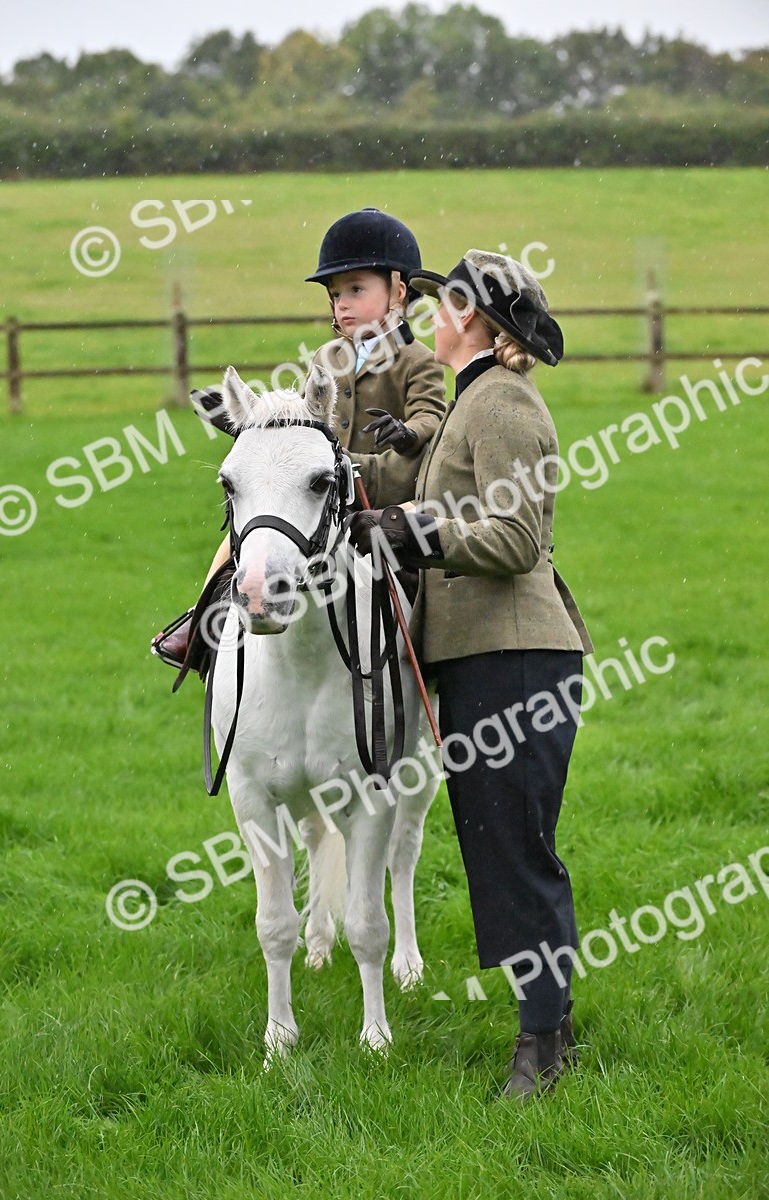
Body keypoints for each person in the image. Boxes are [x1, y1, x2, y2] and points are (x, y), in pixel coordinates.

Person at [349, 249, 593, 1102]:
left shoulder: (504, 402)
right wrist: (394, 514)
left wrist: (421, 535)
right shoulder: (472, 399)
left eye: (445, 301)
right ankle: (552, 1021)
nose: (430, 311)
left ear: (482, 323)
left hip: (517, 658)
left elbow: (515, 539)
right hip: (486, 659)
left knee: (515, 852)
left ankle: (540, 1047)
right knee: (501, 847)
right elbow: (459, 510)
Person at [152, 208, 446, 671]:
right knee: (245, 536)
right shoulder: (327, 357)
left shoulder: (418, 360)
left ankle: (436, 660)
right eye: (335, 295)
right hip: (325, 495)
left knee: (420, 571)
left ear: (398, 292)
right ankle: (200, 625)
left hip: (390, 496)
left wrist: (407, 434)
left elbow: (433, 418)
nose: (342, 304)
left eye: (355, 290)